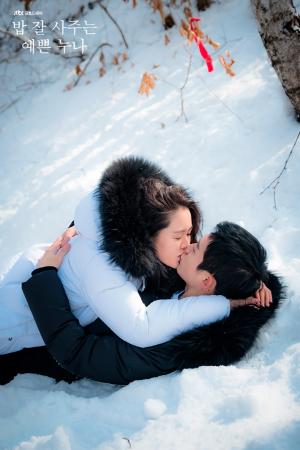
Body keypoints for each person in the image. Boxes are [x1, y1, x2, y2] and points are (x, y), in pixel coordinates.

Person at [1, 157, 242, 355]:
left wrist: (243, 277)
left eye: (189, 234)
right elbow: (142, 328)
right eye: (178, 237)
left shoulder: (126, 241)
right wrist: (224, 304)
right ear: (146, 233)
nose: (187, 245)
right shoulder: (102, 265)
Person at [1, 222, 282, 385]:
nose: (187, 245)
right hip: (21, 283)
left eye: (195, 248)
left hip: (18, 337)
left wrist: (45, 276)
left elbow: (77, 353)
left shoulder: (169, 345)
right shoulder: (178, 278)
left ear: (207, 281)